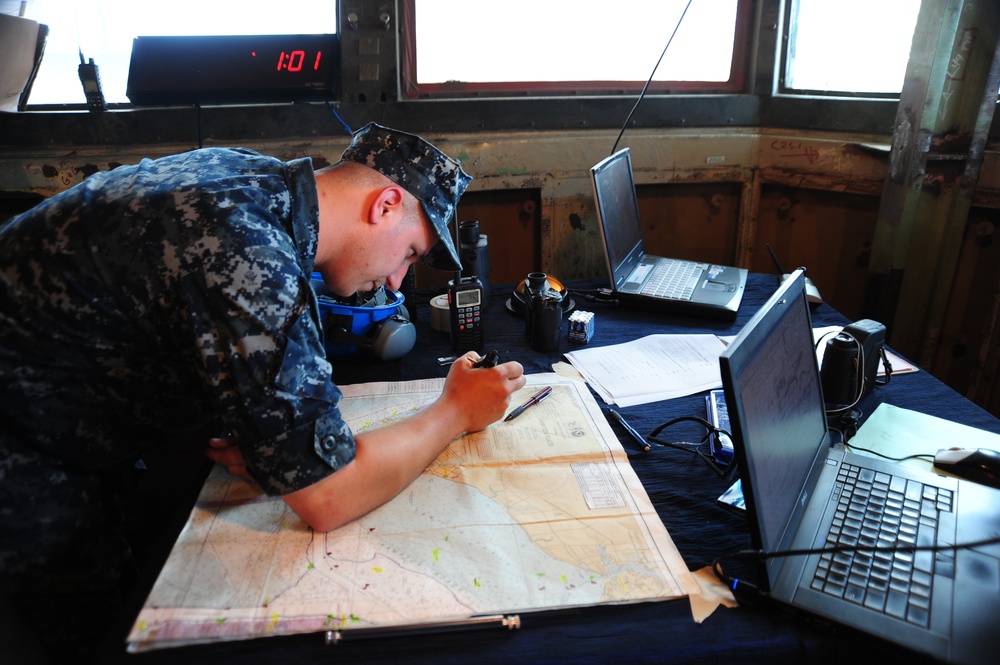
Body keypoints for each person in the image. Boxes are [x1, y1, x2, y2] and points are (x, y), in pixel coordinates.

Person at [0, 122, 526, 662]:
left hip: (65, 415)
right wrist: (455, 411)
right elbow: (327, 495)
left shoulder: (248, 180)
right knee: (89, 639)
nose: (396, 282)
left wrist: (262, 431)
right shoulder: (252, 251)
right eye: (411, 254)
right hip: (27, 449)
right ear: (386, 205)